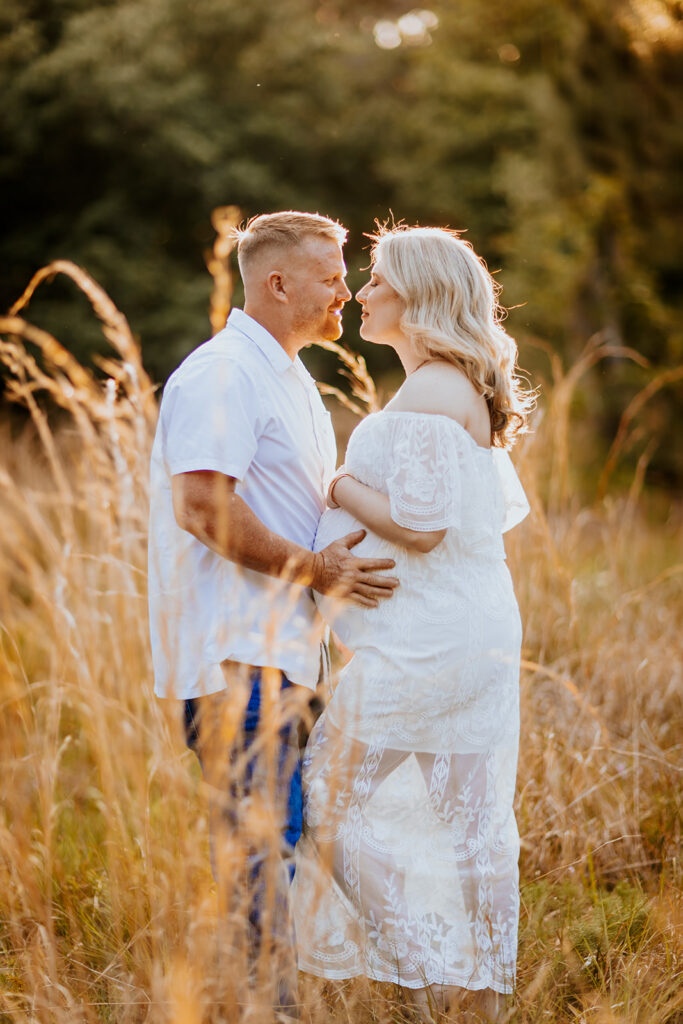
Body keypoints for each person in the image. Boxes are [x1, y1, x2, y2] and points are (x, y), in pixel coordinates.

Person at [147, 211, 399, 1015]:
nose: (346, 292)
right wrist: (319, 569)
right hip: (235, 658)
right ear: (277, 282)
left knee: (278, 844)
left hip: (284, 653)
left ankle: (272, 1003)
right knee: (264, 853)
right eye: (331, 276)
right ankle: (272, 1010)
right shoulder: (224, 373)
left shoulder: (285, 375)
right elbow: (200, 506)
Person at [292, 225, 533, 1022]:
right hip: (471, 630)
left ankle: (425, 975)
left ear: (420, 294)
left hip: (428, 642)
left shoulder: (432, 389)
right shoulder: (463, 383)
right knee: (472, 821)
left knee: (325, 795)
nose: (362, 293)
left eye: (377, 279)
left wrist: (339, 486)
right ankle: (485, 997)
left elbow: (422, 526)